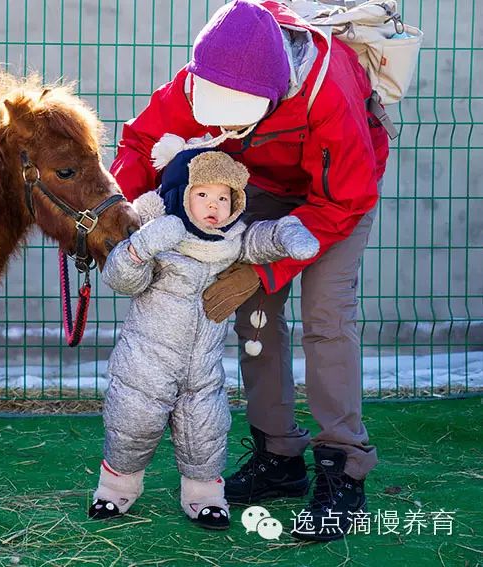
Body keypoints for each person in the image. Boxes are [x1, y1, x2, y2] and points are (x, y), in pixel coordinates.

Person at [108, 0, 389, 541]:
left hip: (336, 199)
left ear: (271, 90)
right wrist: (122, 217)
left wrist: (263, 270)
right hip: (256, 186)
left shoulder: (326, 89)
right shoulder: (205, 74)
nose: (213, 117)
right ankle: (277, 456)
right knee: (255, 318)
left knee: (326, 316)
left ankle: (344, 469)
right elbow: (143, 144)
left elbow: (345, 198)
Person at [88, 148, 318, 530]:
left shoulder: (231, 240)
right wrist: (142, 247)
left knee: (205, 427)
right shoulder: (161, 236)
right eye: (202, 195)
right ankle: (115, 490)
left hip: (202, 367)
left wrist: (286, 233)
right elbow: (123, 279)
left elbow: (259, 240)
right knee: (133, 422)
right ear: (180, 194)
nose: (214, 206)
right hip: (146, 361)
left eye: (223, 198)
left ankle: (205, 497)